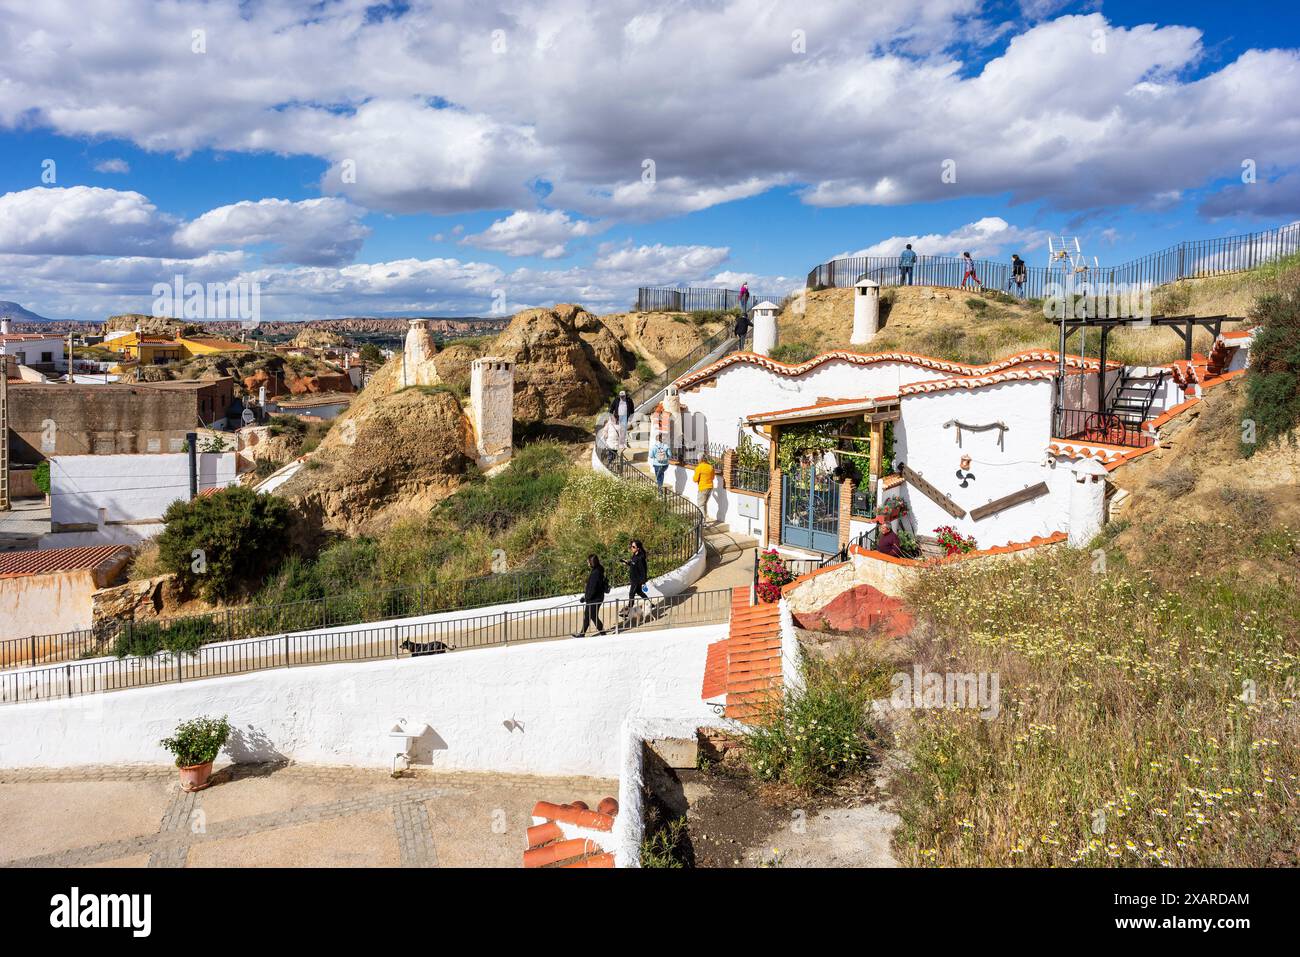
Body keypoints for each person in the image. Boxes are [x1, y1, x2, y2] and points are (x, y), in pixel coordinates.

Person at [572, 554, 609, 637]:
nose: (587, 563)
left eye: (588, 561)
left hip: (595, 598)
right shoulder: (597, 570)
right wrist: (586, 597)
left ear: (592, 562)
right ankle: (582, 634)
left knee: (593, 616)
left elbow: (593, 587)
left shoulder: (596, 572)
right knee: (587, 616)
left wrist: (586, 597)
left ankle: (603, 633)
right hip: (593, 597)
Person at [620, 540, 650, 620]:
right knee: (639, 592)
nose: (631, 548)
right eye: (631, 546)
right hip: (634, 578)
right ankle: (650, 604)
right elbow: (633, 564)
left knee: (631, 594)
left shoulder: (640, 558)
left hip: (636, 580)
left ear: (638, 548)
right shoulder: (635, 555)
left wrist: (643, 581)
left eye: (633, 547)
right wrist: (627, 563)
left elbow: (643, 570)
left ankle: (627, 612)